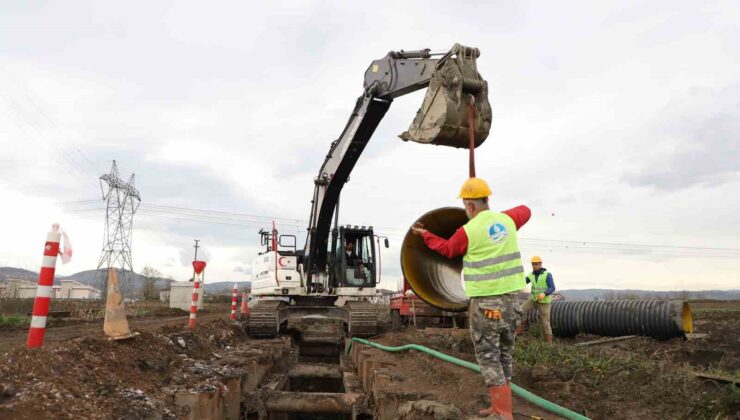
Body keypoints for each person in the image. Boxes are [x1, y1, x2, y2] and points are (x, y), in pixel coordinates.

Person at [411, 177, 530, 419]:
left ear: (471, 206)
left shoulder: (468, 231)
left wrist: (425, 234)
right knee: (504, 355)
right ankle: (499, 406)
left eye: (466, 206)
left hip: (487, 304)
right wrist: (499, 217)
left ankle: (503, 413)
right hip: (512, 302)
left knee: (489, 357)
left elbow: (447, 249)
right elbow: (526, 211)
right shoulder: (507, 220)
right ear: (487, 199)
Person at [516, 256, 556, 343]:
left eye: (536, 264)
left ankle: (549, 343)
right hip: (533, 301)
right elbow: (523, 282)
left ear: (540, 264)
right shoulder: (531, 275)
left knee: (545, 323)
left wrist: (544, 293)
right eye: (533, 264)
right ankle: (520, 329)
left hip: (544, 302)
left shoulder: (547, 275)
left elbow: (552, 287)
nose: (534, 266)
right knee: (520, 310)